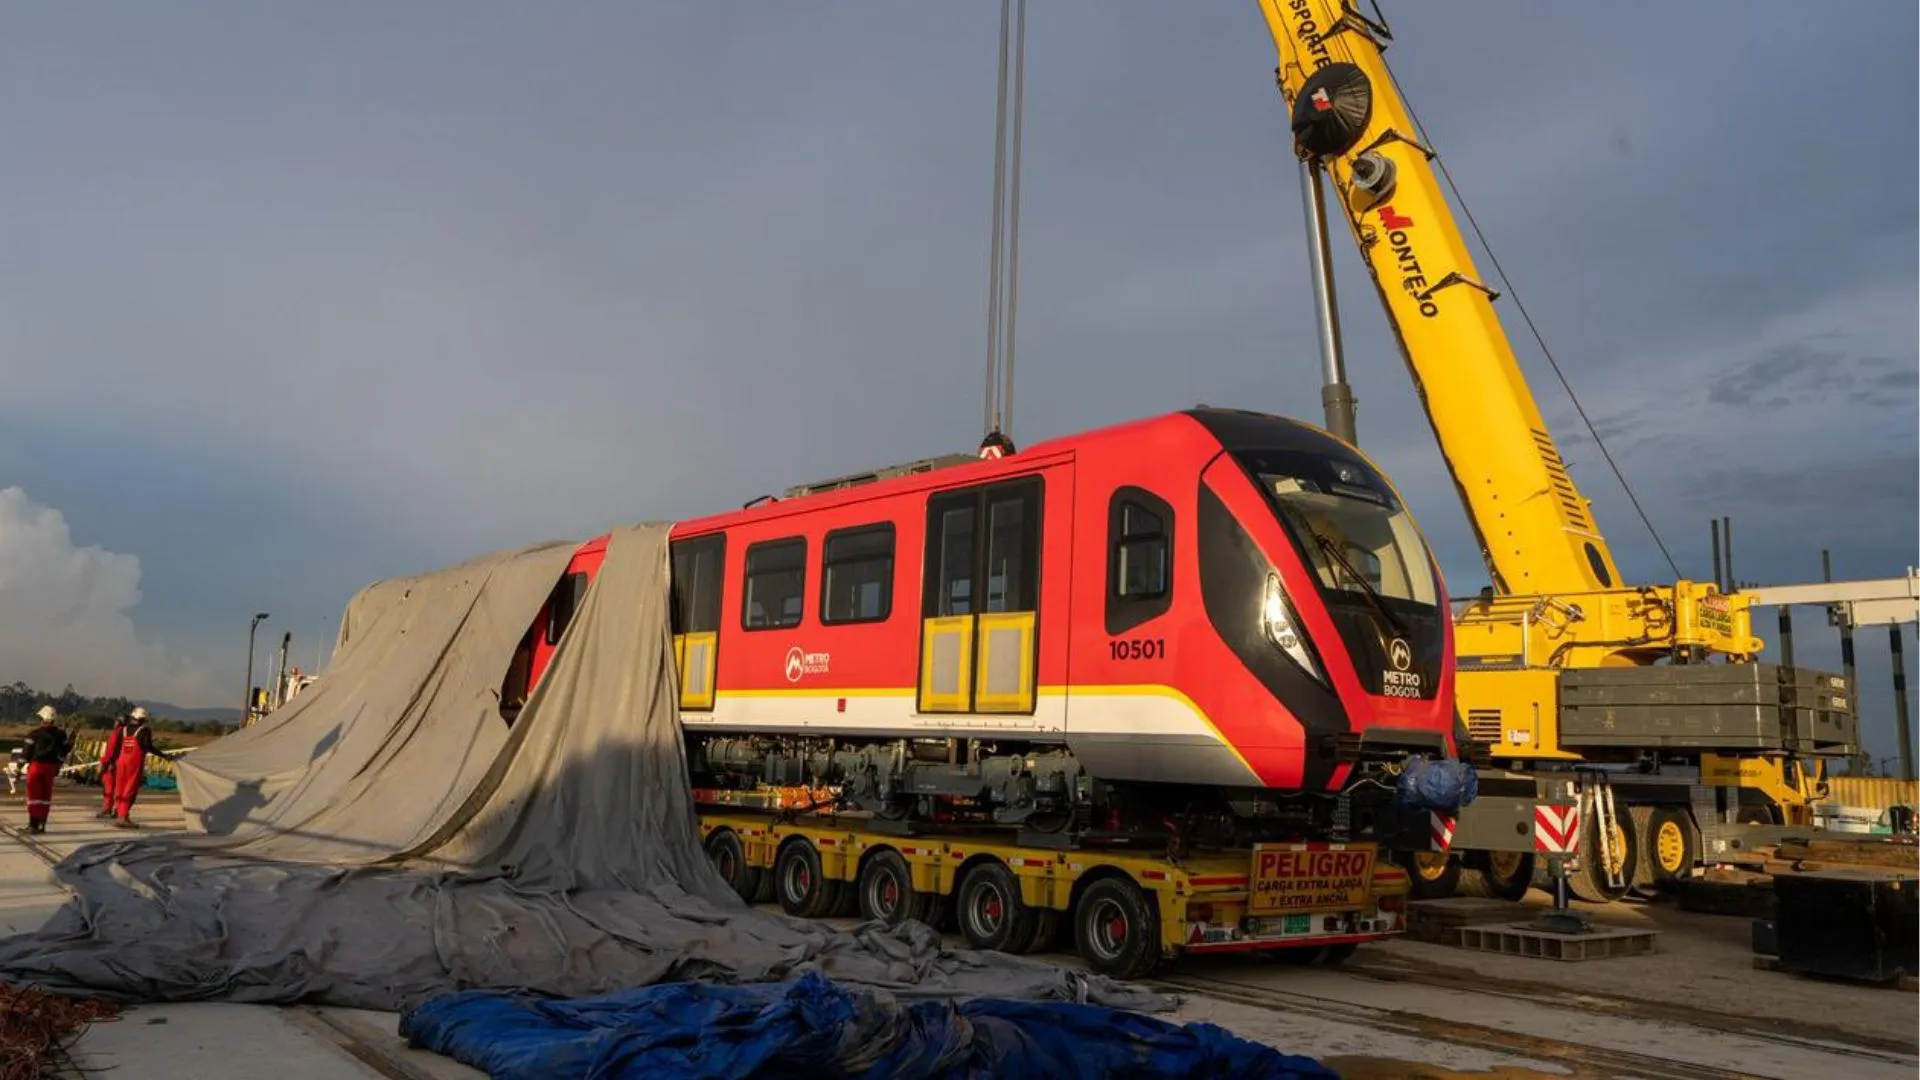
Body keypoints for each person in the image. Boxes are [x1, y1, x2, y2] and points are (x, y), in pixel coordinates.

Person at [109, 708, 180, 828]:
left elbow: (116, 748)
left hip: (120, 762)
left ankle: (119, 811)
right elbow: (148, 747)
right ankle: (123, 816)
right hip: (134, 763)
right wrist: (164, 756)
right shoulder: (144, 730)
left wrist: (112, 763)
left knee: (120, 788)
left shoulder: (123, 730)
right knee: (130, 789)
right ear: (142, 719)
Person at [22, 705, 73, 834]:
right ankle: (41, 825)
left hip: (36, 766)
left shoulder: (34, 734)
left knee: (34, 796)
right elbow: (66, 748)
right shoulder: (61, 735)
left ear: (42, 719)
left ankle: (33, 825)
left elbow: (26, 753)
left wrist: (18, 766)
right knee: (45, 796)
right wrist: (59, 763)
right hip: (51, 768)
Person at [96, 710, 135, 817]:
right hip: (124, 764)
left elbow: (111, 750)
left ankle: (107, 808)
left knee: (108, 788)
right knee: (120, 788)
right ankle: (118, 810)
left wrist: (103, 762)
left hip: (112, 764)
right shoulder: (130, 733)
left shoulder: (117, 732)